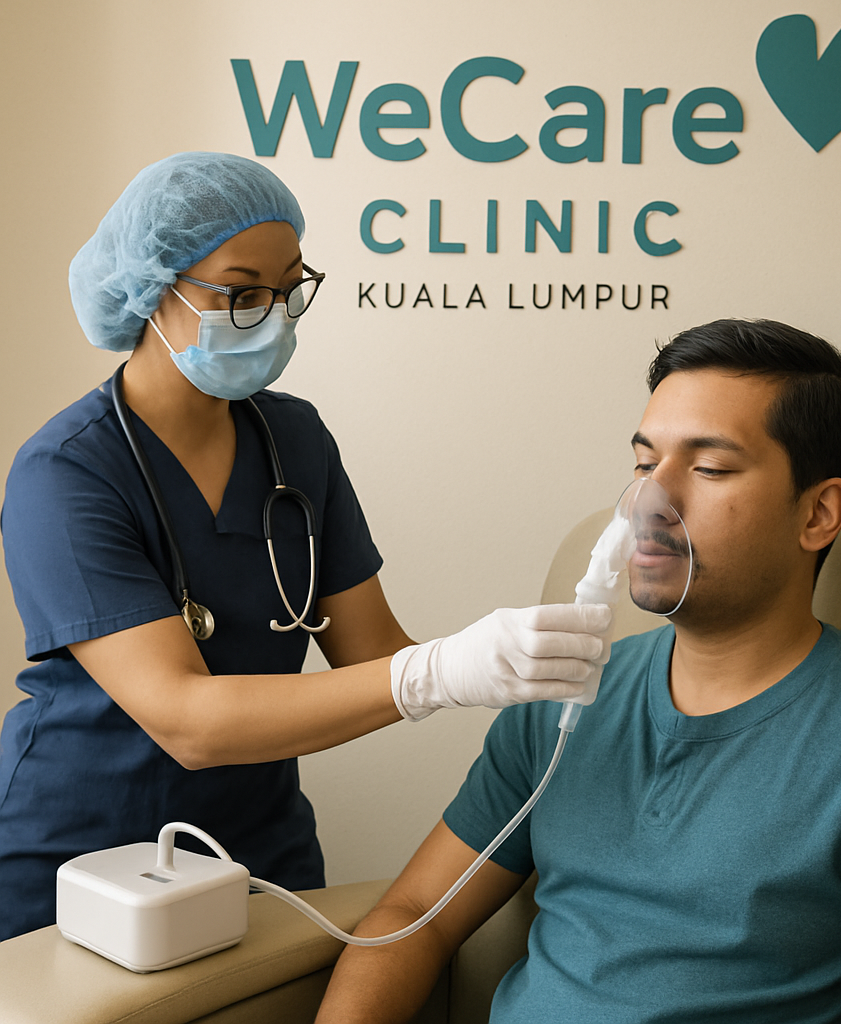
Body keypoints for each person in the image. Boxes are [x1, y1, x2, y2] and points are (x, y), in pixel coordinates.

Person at [316, 319, 841, 1024]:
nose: (651, 502)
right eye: (644, 463)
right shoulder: (563, 698)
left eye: (709, 468)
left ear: (819, 512)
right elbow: (414, 916)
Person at [0, 152, 611, 941]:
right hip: (83, 852)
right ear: (154, 288)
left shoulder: (294, 440)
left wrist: (506, 665)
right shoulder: (66, 472)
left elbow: (373, 655)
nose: (276, 313)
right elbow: (189, 720)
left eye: (289, 288)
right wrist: (441, 672)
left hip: (257, 852)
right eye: (243, 292)